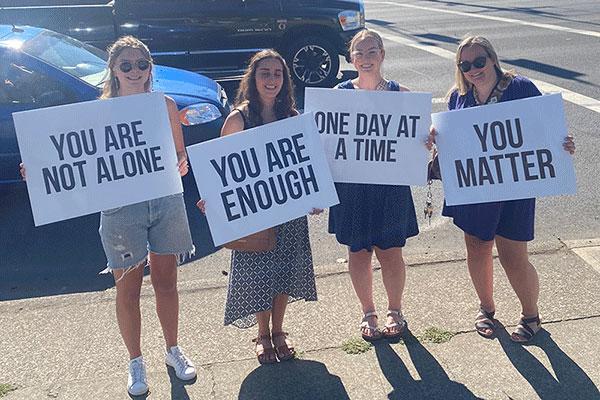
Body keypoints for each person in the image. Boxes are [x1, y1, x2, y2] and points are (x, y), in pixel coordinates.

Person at [21, 36, 197, 396]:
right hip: (121, 209)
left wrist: (181, 163)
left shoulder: (165, 105)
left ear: (151, 68)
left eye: (141, 65)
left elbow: (180, 154)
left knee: (166, 283)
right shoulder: (98, 111)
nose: (135, 72)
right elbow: (74, 159)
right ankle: (135, 360)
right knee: (127, 290)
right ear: (114, 71)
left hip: (165, 202)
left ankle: (173, 350)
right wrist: (38, 169)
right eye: (126, 66)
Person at [426, 35, 576, 343]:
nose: (473, 69)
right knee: (477, 248)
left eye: (479, 61)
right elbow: (453, 140)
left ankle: (531, 315)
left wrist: (563, 145)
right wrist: (435, 137)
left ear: (493, 59)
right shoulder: (458, 96)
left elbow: (546, 129)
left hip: (514, 187)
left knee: (513, 255)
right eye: (465, 64)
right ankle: (486, 309)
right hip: (474, 187)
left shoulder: (520, 88)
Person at [197, 49, 320, 364]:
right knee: (259, 274)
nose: (272, 79)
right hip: (255, 215)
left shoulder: (292, 117)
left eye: (278, 74)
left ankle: (279, 331)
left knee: (285, 271)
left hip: (290, 213)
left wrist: (313, 196)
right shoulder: (238, 119)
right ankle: (263, 335)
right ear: (253, 78)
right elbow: (221, 171)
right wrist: (213, 198)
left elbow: (305, 165)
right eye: (265, 73)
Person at [327, 29, 419, 342]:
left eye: (371, 52)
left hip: (389, 188)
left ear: (382, 55)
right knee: (359, 253)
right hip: (351, 190)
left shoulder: (400, 94)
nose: (365, 59)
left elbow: (419, 140)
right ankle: (368, 311)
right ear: (351, 58)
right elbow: (322, 141)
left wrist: (427, 139)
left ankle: (395, 310)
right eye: (359, 53)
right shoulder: (337, 95)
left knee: (391, 253)